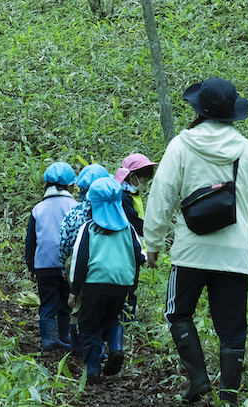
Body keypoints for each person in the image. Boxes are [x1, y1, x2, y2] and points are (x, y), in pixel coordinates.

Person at [144, 78, 248, 404]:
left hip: (191, 252)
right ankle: (228, 398)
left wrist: (152, 242)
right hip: (235, 256)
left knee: (177, 312)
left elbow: (162, 194)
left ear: (199, 110)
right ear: (231, 113)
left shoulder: (182, 146)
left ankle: (198, 378)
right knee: (233, 331)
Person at [68, 176, 143, 384]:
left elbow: (80, 260)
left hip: (95, 284)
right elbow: (140, 256)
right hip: (122, 285)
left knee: (88, 326)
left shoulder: (89, 229)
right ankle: (116, 349)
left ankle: (93, 370)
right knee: (113, 319)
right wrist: (132, 285)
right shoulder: (129, 229)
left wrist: (74, 290)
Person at [102, 152, 158, 375]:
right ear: (132, 177)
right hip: (126, 249)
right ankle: (125, 319)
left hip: (133, 247)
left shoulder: (129, 195)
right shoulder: (121, 198)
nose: (144, 183)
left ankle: (124, 318)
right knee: (128, 285)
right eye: (142, 179)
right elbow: (133, 224)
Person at [26, 162, 78, 351]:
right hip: (67, 265)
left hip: (43, 264)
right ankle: (65, 337)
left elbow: (31, 240)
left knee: (47, 301)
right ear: (69, 186)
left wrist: (31, 265)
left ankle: (48, 339)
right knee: (66, 300)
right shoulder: (75, 206)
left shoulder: (38, 209)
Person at [59, 162, 111, 265]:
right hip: (109, 271)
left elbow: (63, 245)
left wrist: (65, 271)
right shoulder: (113, 212)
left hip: (79, 271)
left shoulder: (73, 214)